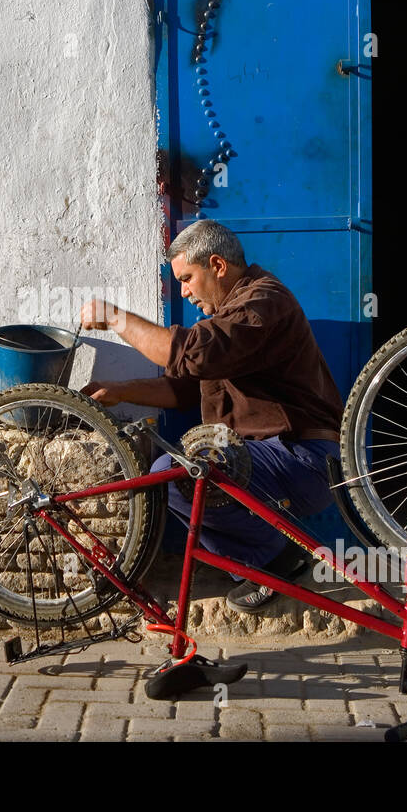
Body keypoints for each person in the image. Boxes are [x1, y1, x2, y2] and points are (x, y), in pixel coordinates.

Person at [79, 220, 343, 614]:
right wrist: (120, 392)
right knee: (174, 473)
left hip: (302, 458)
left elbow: (194, 353)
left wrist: (116, 318)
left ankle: (274, 563)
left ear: (217, 265)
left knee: (174, 474)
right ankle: (263, 559)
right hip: (276, 458)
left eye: (187, 278)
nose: (184, 292)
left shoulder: (262, 302)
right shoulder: (231, 316)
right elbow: (187, 385)